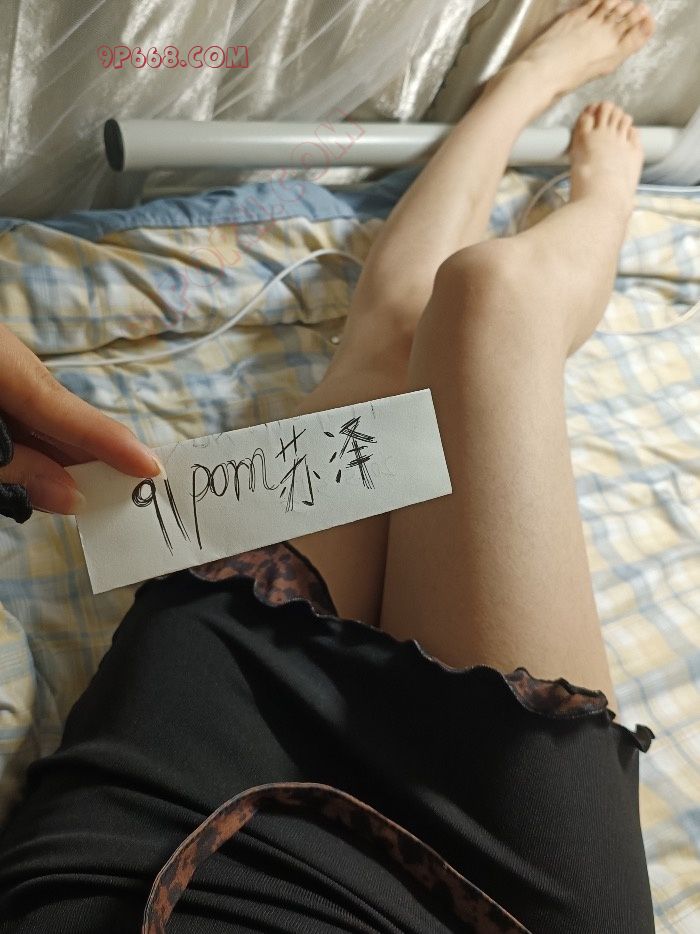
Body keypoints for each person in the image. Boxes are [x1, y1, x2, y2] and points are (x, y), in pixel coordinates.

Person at [0, 2, 658, 931]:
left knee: (396, 344)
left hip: (182, 837)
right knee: (493, 296)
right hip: (505, 897)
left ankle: (509, 101)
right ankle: (602, 201)